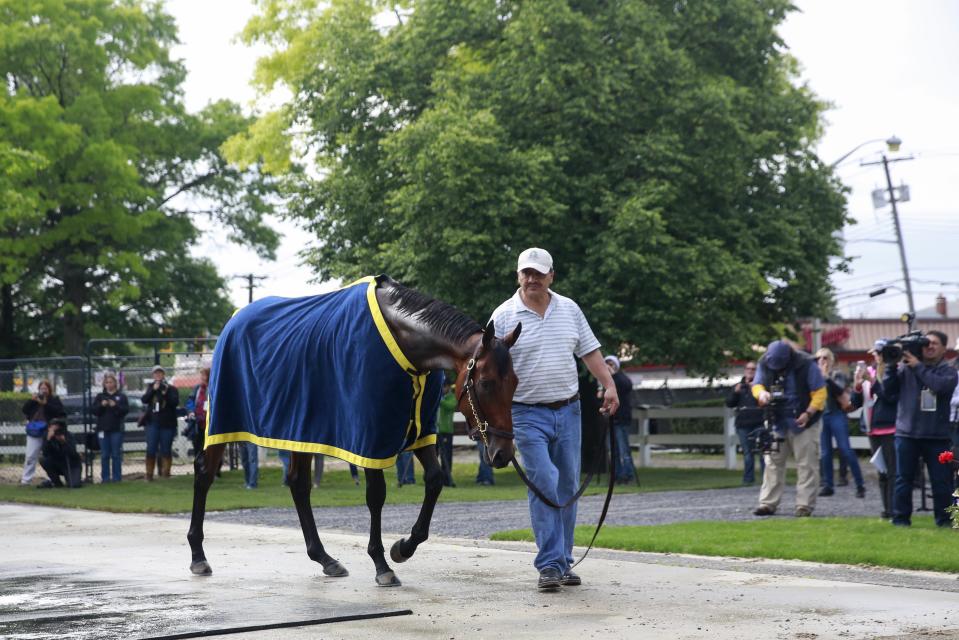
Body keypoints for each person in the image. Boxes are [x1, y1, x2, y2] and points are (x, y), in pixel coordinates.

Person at [491, 247, 619, 591]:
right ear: (518, 276)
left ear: (551, 276)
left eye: (538, 273)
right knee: (544, 479)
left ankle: (563, 560)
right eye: (525, 273)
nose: (532, 279)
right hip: (526, 412)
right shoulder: (503, 316)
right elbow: (489, 370)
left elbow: (590, 352)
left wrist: (609, 386)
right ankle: (548, 563)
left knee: (567, 486)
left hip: (569, 409)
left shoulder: (569, 309)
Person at [883, 330, 958, 527]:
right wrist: (891, 366)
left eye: (934, 343)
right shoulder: (906, 369)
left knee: (942, 482)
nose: (929, 347)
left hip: (938, 436)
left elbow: (939, 386)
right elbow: (888, 393)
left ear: (944, 348)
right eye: (926, 343)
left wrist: (917, 366)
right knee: (903, 480)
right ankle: (900, 520)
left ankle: (944, 521)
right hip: (907, 433)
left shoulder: (948, 371)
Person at [751, 339, 826, 518]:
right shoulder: (764, 363)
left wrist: (808, 412)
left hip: (804, 421)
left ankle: (804, 506)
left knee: (807, 464)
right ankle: (767, 503)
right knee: (772, 463)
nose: (775, 368)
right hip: (777, 420)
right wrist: (761, 394)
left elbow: (820, 392)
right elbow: (757, 384)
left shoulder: (807, 364)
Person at [851, 351, 898, 518]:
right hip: (872, 429)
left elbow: (889, 397)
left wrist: (872, 382)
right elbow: (855, 403)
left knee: (892, 470)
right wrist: (857, 385)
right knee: (881, 470)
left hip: (889, 428)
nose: (876, 356)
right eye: (875, 353)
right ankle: (886, 509)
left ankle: (894, 509)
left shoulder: (893, 372)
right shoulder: (869, 372)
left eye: (879, 352)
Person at [815, 348, 866, 498]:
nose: (822, 360)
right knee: (825, 453)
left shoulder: (837, 374)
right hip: (822, 416)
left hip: (837, 414)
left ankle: (860, 484)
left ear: (831, 360)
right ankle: (828, 485)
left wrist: (826, 377)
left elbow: (839, 390)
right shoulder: (815, 377)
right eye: (819, 358)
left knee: (845, 449)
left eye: (825, 357)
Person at [724, 361, 764, 485]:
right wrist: (736, 392)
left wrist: (755, 389)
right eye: (748, 369)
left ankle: (767, 479)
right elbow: (729, 403)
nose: (750, 371)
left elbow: (766, 401)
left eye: (753, 369)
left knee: (763, 452)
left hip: (760, 422)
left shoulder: (761, 387)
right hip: (743, 424)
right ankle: (748, 479)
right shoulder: (738, 386)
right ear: (745, 370)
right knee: (748, 453)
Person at [20, 380, 66, 486]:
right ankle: (26, 479)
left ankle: (51, 478)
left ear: (49, 390)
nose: (43, 391)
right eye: (41, 388)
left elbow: (59, 413)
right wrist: (32, 401)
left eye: (45, 388)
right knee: (30, 455)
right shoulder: (35, 400)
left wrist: (45, 404)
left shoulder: (54, 400)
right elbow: (25, 410)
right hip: (34, 430)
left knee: (48, 456)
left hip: (48, 431)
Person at [141, 364, 179, 480]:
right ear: (153, 375)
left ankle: (165, 474)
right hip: (153, 422)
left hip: (167, 423)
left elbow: (174, 403)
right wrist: (153, 390)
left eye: (160, 373)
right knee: (151, 448)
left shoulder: (171, 388)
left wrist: (165, 394)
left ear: (163, 374)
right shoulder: (150, 387)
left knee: (166, 449)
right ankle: (149, 475)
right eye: (156, 373)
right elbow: (144, 399)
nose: (158, 375)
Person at [603, 355, 635, 485]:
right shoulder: (605, 381)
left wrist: (614, 374)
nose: (609, 366)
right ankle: (616, 475)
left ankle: (628, 474)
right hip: (610, 420)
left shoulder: (621, 378)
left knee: (623, 450)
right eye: (607, 364)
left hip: (621, 419)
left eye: (611, 364)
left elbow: (626, 386)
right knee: (613, 450)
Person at [92, 372, 129, 483]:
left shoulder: (121, 396)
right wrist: (101, 405)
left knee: (116, 454)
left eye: (111, 382)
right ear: (104, 384)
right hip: (103, 429)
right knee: (104, 455)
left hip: (116, 429)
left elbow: (125, 411)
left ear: (115, 383)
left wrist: (115, 406)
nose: (109, 384)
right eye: (107, 382)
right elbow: (94, 411)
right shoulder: (100, 397)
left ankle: (117, 478)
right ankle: (105, 478)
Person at [38, 417, 83, 488]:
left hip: (71, 464)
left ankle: (75, 479)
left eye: (58, 427)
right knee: (43, 460)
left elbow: (73, 454)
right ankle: (56, 483)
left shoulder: (69, 436)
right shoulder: (47, 436)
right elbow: (45, 453)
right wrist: (48, 440)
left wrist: (64, 442)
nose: (56, 431)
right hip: (56, 462)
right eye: (53, 427)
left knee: (74, 485)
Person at [184, 367, 210, 457]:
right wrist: (191, 411)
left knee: (209, 448)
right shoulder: (197, 388)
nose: (202, 377)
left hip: (210, 424)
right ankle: (199, 468)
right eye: (201, 375)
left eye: (204, 375)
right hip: (198, 423)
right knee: (198, 448)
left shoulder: (213, 387)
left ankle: (212, 469)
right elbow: (190, 401)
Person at [437, 377, 457, 487]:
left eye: (444, 386)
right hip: (435, 431)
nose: (442, 389)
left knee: (447, 456)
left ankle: (447, 479)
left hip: (446, 431)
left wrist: (440, 400)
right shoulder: (438, 396)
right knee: (433, 455)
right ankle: (432, 477)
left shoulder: (451, 397)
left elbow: (450, 406)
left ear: (448, 387)